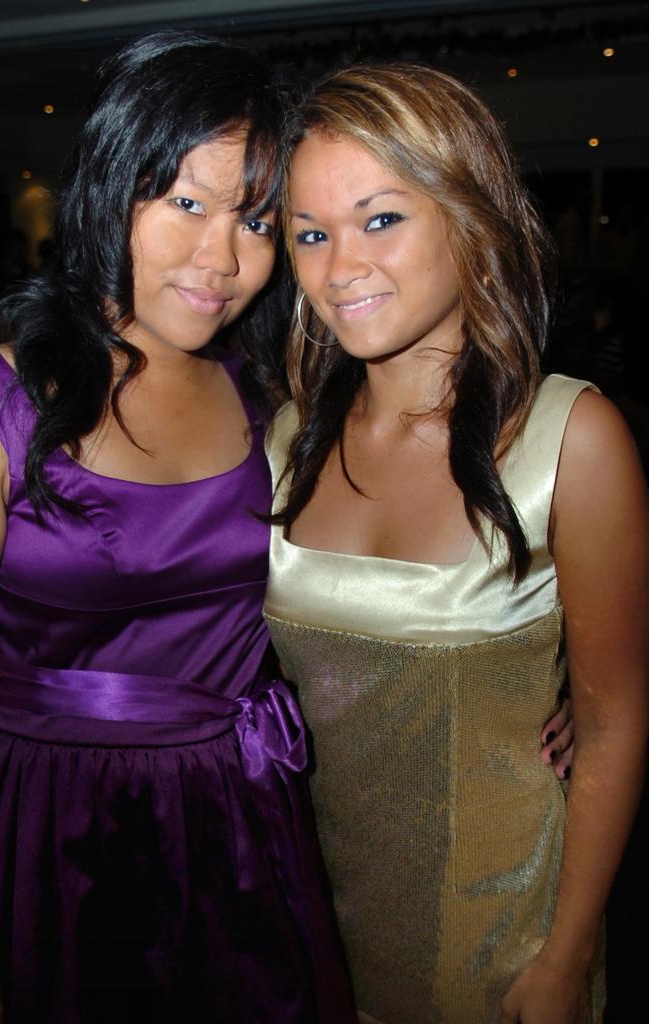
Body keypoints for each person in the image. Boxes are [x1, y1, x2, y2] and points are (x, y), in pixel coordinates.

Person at [0, 33, 355, 1024]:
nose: (222, 259)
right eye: (185, 201)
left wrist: (520, 659)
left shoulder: (264, 391)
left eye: (257, 221)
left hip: (236, 824)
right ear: (112, 187)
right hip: (50, 830)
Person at [262, 62, 649, 1024]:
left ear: (469, 218)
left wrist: (565, 956)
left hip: (501, 921)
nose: (339, 265)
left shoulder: (574, 440)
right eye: (311, 233)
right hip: (306, 917)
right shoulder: (283, 436)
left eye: (381, 217)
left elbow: (613, 724)